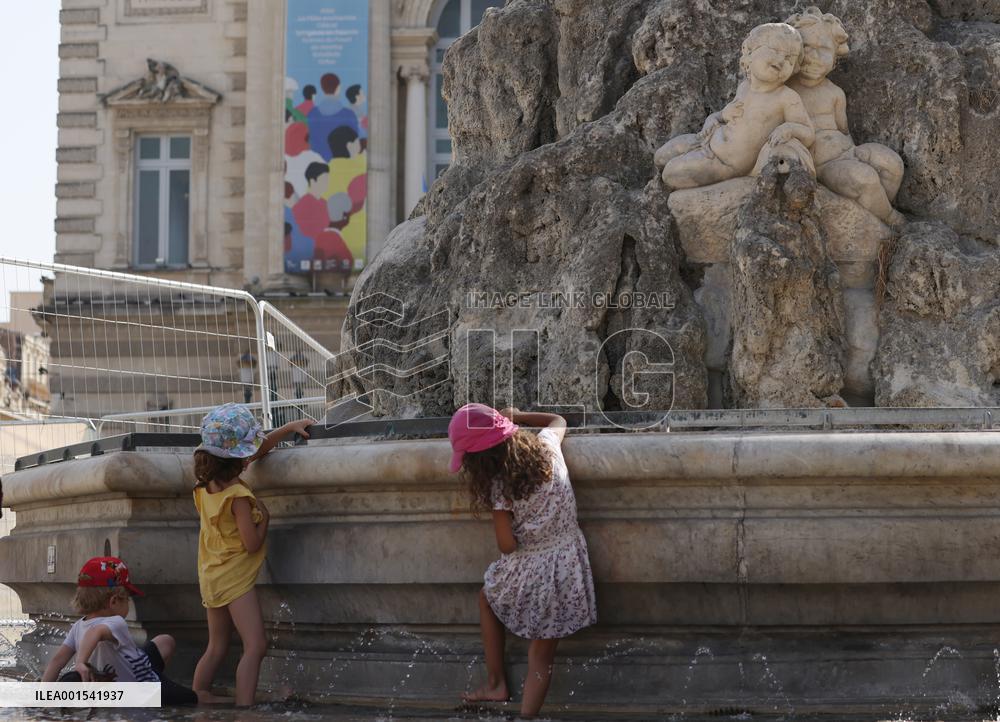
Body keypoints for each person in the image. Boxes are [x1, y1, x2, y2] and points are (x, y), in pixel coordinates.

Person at [449, 404, 597, 718]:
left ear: (481, 459)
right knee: (542, 656)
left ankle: (496, 683)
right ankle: (527, 717)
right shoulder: (547, 447)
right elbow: (558, 420)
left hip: (534, 567)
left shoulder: (500, 487)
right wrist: (519, 416)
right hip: (568, 562)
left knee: (487, 597)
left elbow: (507, 545)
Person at [190, 404, 312, 706]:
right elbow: (252, 544)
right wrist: (265, 519)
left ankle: (198, 694)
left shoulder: (203, 487)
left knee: (216, 645)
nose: (249, 461)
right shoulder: (239, 497)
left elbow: (258, 450)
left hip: (211, 574)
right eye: (245, 457)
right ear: (237, 461)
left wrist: (288, 429)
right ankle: (245, 708)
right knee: (256, 645)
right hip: (234, 580)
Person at [655, 22, 815, 189]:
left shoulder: (786, 97)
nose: (781, 60)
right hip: (706, 141)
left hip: (725, 164)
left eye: (790, 59)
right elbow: (725, 116)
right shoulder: (744, 87)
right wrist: (717, 117)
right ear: (750, 53)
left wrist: (788, 128)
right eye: (775, 50)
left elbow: (808, 133)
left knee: (670, 173)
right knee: (660, 156)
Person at [40, 556, 220, 705]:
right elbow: (95, 633)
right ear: (114, 601)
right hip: (146, 689)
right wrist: (80, 663)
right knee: (199, 698)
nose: (128, 604)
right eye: (127, 599)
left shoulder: (79, 625)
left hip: (140, 667)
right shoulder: (116, 622)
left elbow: (57, 661)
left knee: (165, 641)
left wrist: (42, 697)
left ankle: (158, 676)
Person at [785, 6, 905, 225]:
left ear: (835, 57)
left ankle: (873, 212)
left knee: (892, 164)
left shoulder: (835, 93)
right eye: (806, 48)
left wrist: (854, 153)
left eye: (823, 49)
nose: (813, 57)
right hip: (823, 165)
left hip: (848, 151)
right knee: (865, 178)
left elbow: (843, 130)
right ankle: (888, 218)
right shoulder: (786, 92)